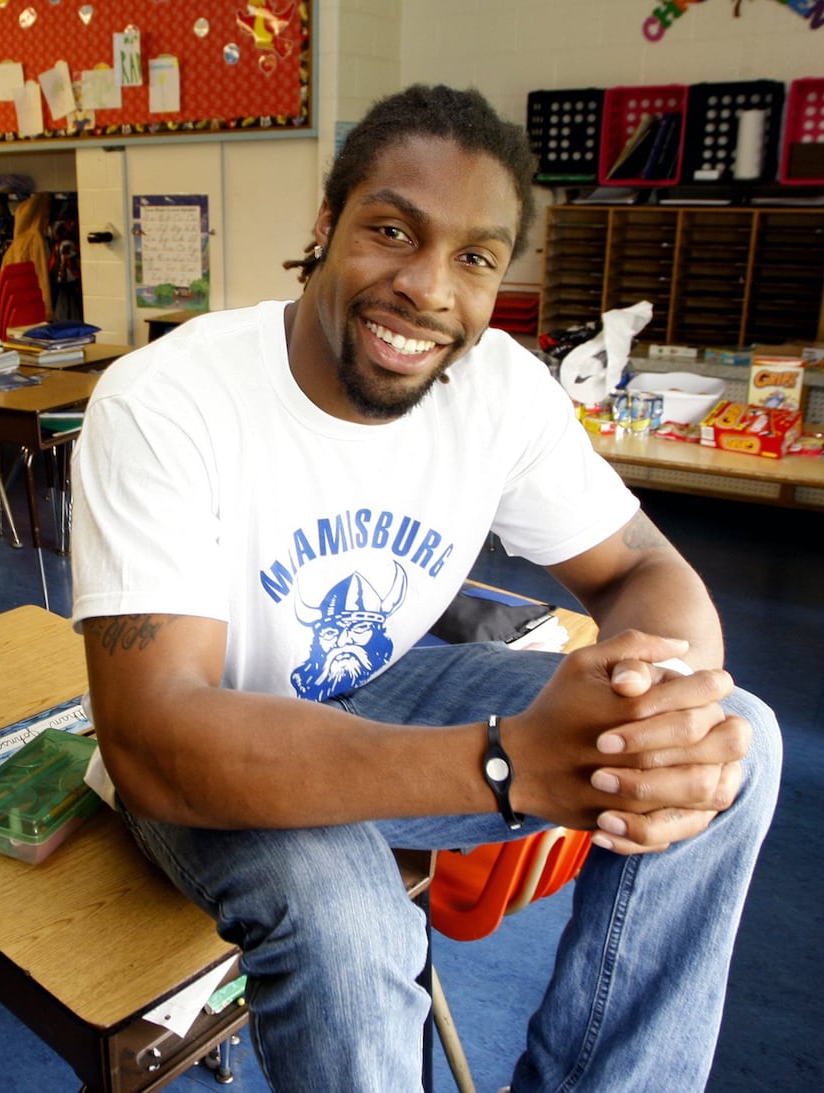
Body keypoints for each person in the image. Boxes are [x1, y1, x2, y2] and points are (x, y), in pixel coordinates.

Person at [70, 84, 780, 1092]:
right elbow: (154, 737)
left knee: (731, 740)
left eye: (473, 258)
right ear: (325, 227)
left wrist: (657, 713)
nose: (427, 288)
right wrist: (506, 766)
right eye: (392, 230)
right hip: (204, 746)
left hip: (367, 697)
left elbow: (639, 569)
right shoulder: (166, 401)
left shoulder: (498, 390)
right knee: (350, 923)